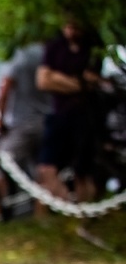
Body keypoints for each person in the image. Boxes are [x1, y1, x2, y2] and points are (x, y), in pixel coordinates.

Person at [35, 18, 104, 203]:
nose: (70, 30)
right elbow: (43, 80)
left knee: (83, 170)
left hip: (85, 116)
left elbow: (92, 80)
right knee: (46, 168)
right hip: (59, 114)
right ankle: (67, 205)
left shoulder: (92, 47)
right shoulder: (55, 47)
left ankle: (85, 212)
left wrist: (58, 79)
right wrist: (78, 83)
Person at [0, 42, 49, 218]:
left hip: (22, 121)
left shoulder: (20, 53)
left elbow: (6, 84)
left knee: (3, 158)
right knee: (42, 168)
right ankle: (40, 213)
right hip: (46, 118)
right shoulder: (47, 52)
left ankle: (3, 211)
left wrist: (0, 116)